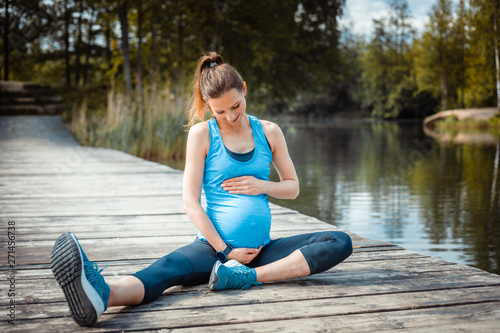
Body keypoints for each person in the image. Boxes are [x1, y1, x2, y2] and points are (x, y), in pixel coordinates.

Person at [50, 52, 353, 327]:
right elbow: (190, 203)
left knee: (339, 241)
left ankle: (244, 277)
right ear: (209, 105)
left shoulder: (270, 132)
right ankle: (101, 294)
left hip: (262, 250)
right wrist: (226, 250)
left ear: (244, 89)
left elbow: (293, 188)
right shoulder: (202, 134)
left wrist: (262, 185)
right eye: (220, 112)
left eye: (236, 106)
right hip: (213, 250)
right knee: (163, 271)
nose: (231, 116)